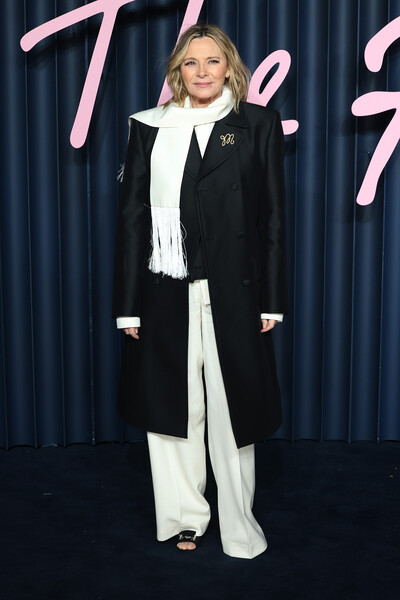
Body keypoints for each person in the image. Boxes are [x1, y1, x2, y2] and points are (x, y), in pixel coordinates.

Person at [113, 23, 288, 559]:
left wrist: (272, 299)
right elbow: (133, 222)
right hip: (165, 288)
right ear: (177, 71)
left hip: (235, 291)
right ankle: (183, 518)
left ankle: (239, 525)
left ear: (229, 67)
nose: (203, 71)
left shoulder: (257, 123)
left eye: (213, 61)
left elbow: (273, 218)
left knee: (234, 413)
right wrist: (127, 307)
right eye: (191, 62)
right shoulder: (149, 127)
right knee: (173, 410)